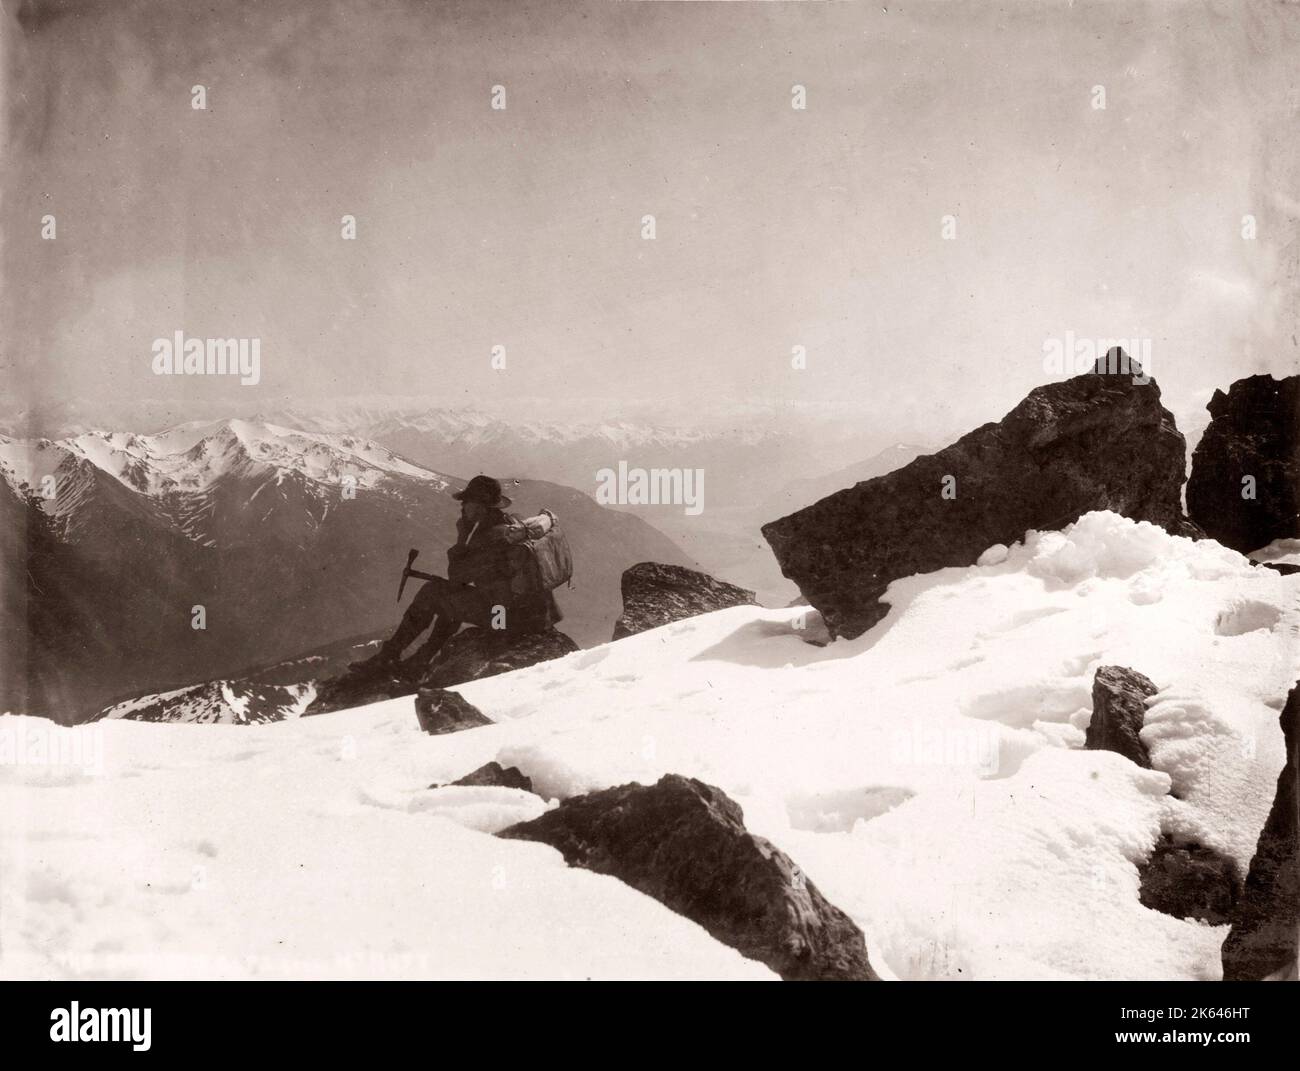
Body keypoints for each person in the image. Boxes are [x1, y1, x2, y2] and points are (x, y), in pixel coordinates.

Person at [351, 475, 561, 676]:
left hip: (507, 619)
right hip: (530, 614)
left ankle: (391, 656)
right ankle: (421, 659)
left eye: (467, 502)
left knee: (432, 593)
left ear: (480, 506)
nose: (462, 507)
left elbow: (457, 576)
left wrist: (462, 540)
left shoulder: (490, 537)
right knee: (448, 596)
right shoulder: (514, 524)